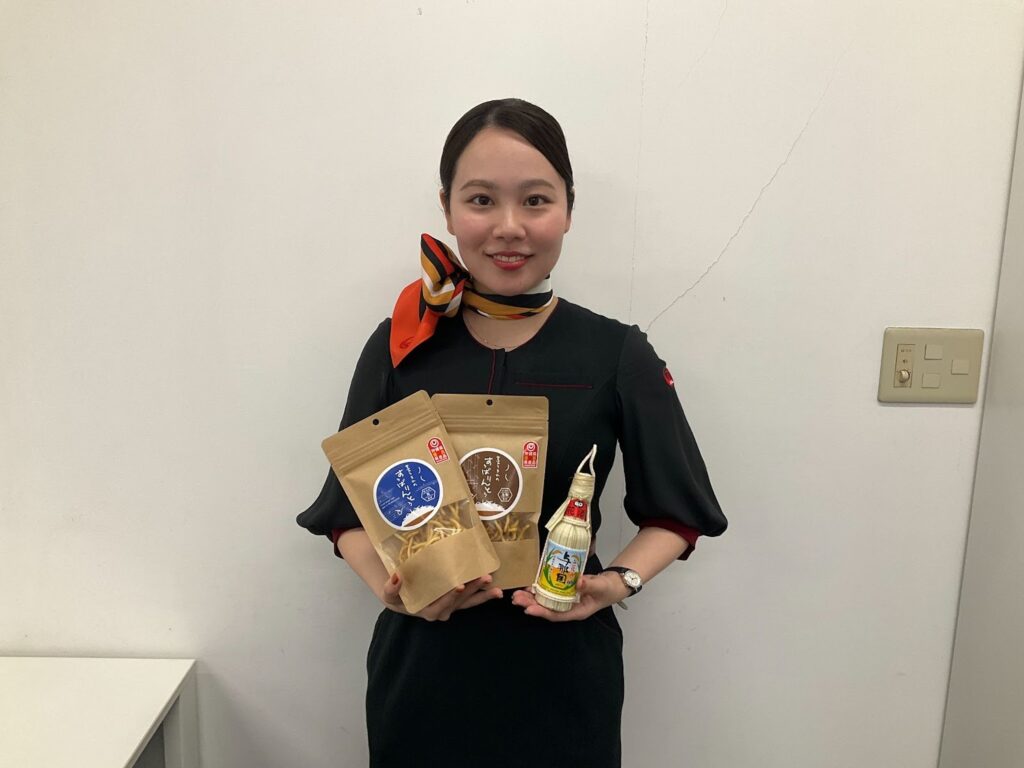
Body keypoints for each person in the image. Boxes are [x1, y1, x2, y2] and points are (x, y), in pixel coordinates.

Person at [297, 98, 727, 768]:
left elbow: (678, 513)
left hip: (562, 674)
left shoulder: (614, 353)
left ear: (568, 209)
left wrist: (615, 583)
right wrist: (390, 588)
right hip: (423, 673)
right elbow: (344, 511)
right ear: (447, 209)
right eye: (480, 200)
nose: (508, 227)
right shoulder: (401, 344)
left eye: (535, 200)